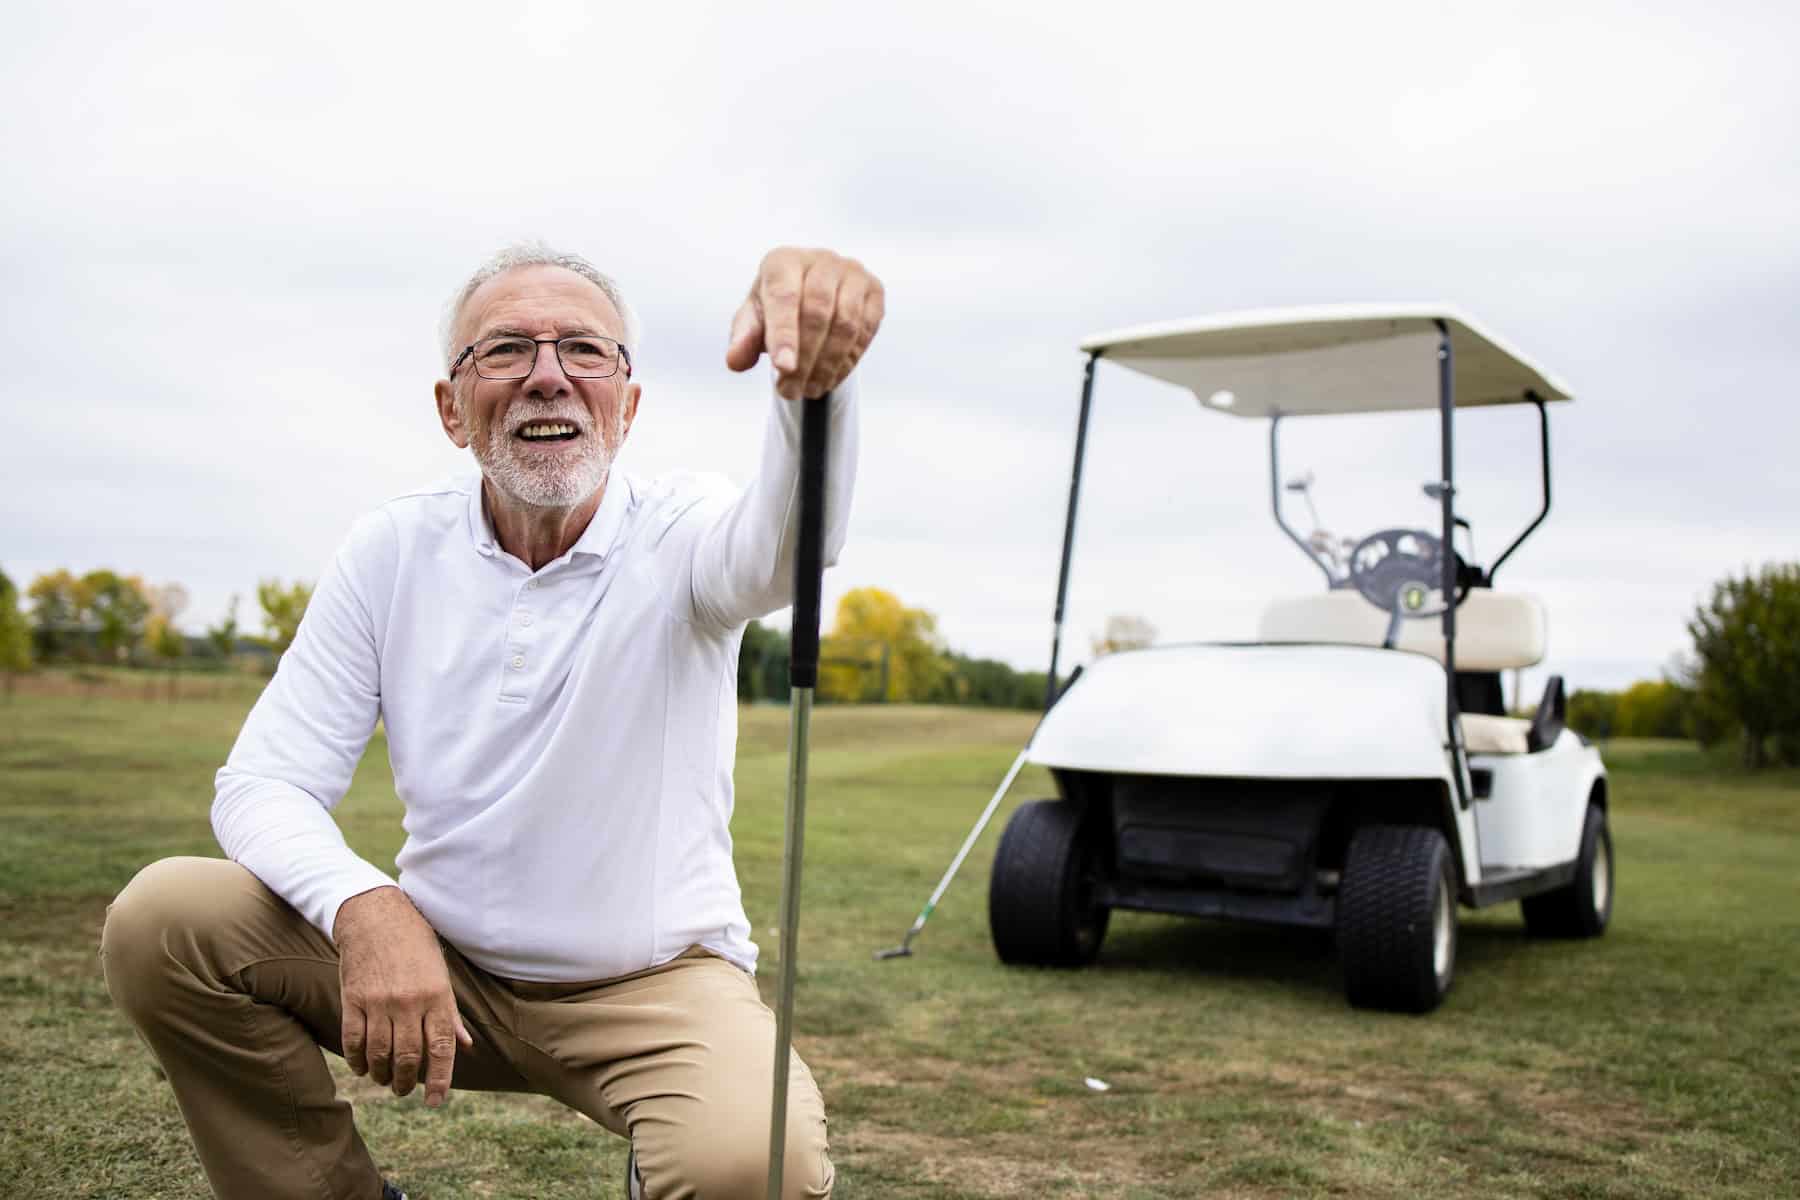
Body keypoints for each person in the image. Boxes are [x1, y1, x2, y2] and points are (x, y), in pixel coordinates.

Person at [100, 241, 883, 1200]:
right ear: (451, 407)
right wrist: (365, 906)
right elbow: (265, 781)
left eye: (586, 353)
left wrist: (820, 387)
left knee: (756, 1167)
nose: (547, 378)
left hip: (653, 986)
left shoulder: (682, 532)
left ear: (627, 406)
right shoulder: (392, 546)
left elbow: (792, 545)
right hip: (440, 963)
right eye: (505, 350)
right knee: (166, 920)